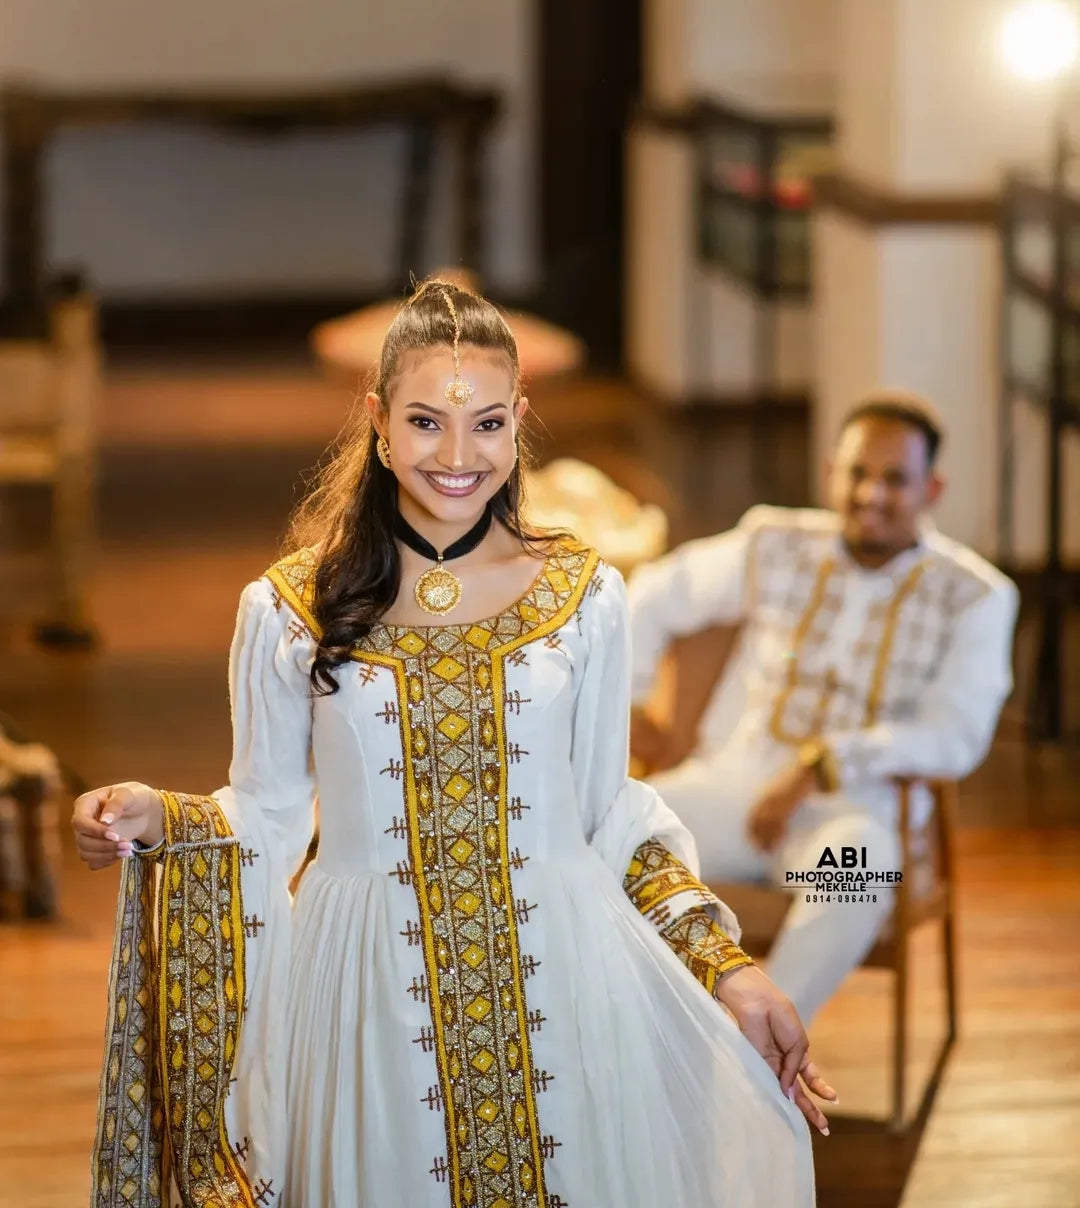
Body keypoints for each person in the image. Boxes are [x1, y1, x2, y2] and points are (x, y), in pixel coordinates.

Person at [72, 280, 829, 1208]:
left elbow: (611, 814)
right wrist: (159, 818)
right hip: (366, 983)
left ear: (520, 421)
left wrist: (731, 966)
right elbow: (265, 813)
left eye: (487, 425)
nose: (459, 456)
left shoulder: (583, 597)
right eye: (427, 422)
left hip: (562, 969)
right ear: (378, 423)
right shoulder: (287, 608)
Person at [628, 392, 1019, 1025]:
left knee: (858, 879)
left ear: (932, 488)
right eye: (857, 474)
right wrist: (631, 702)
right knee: (616, 834)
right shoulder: (774, 542)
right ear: (831, 475)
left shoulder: (975, 595)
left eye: (895, 479)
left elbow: (957, 735)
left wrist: (825, 763)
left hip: (850, 817)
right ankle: (664, 1034)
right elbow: (648, 594)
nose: (871, 495)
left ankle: (758, 1047)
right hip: (735, 792)